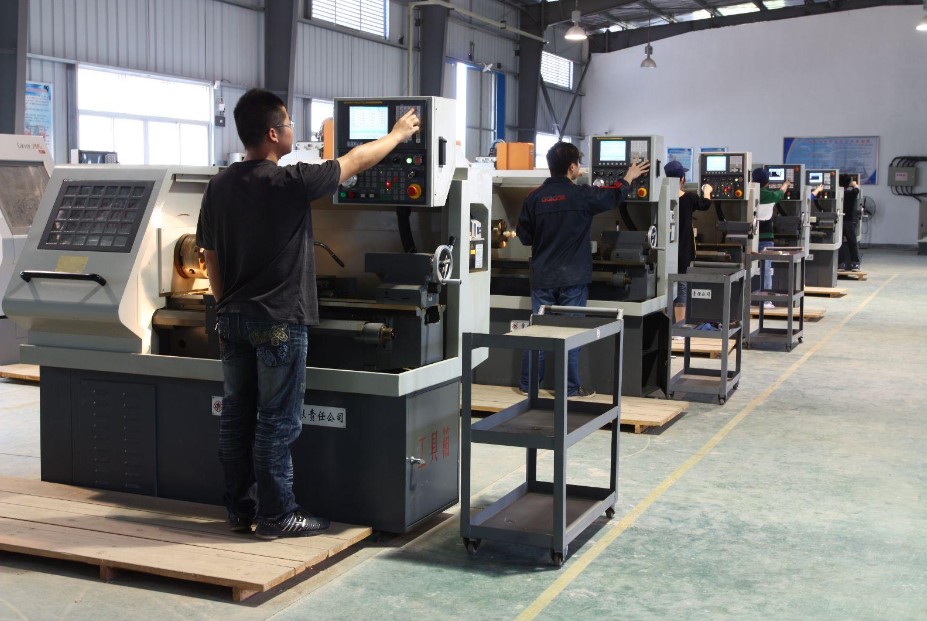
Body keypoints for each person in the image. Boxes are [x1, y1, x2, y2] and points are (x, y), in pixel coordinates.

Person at [196, 89, 420, 540]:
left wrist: (226, 305)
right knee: (277, 421)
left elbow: (210, 255)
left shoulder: (218, 186)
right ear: (273, 133)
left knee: (236, 417)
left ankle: (239, 509)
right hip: (277, 321)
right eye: (289, 125)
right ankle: (278, 514)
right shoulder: (290, 182)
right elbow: (354, 162)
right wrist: (398, 135)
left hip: (231, 319)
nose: (293, 131)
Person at [516, 142, 649, 398]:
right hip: (573, 277)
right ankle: (568, 388)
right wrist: (629, 177)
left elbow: (524, 236)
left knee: (538, 333)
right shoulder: (582, 194)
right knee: (570, 334)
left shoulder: (534, 197)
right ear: (572, 167)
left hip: (543, 276)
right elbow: (612, 196)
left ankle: (528, 385)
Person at [664, 160, 713, 323]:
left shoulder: (660, 198)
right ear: (682, 179)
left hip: (664, 251)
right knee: (682, 287)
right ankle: (679, 327)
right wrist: (707, 190)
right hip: (683, 251)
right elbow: (705, 205)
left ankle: (665, 326)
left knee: (664, 287)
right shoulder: (690, 198)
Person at [751, 167, 791, 308]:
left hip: (750, 237)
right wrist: (786, 184)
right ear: (767, 182)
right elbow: (780, 193)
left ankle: (744, 298)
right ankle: (766, 300)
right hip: (766, 237)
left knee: (747, 267)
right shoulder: (770, 195)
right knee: (766, 269)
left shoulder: (749, 193)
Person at [838, 173, 862, 271]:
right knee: (852, 243)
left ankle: (840, 264)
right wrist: (854, 184)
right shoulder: (851, 193)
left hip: (839, 222)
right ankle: (855, 264)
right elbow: (857, 189)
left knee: (839, 244)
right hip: (849, 222)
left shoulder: (837, 194)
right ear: (848, 184)